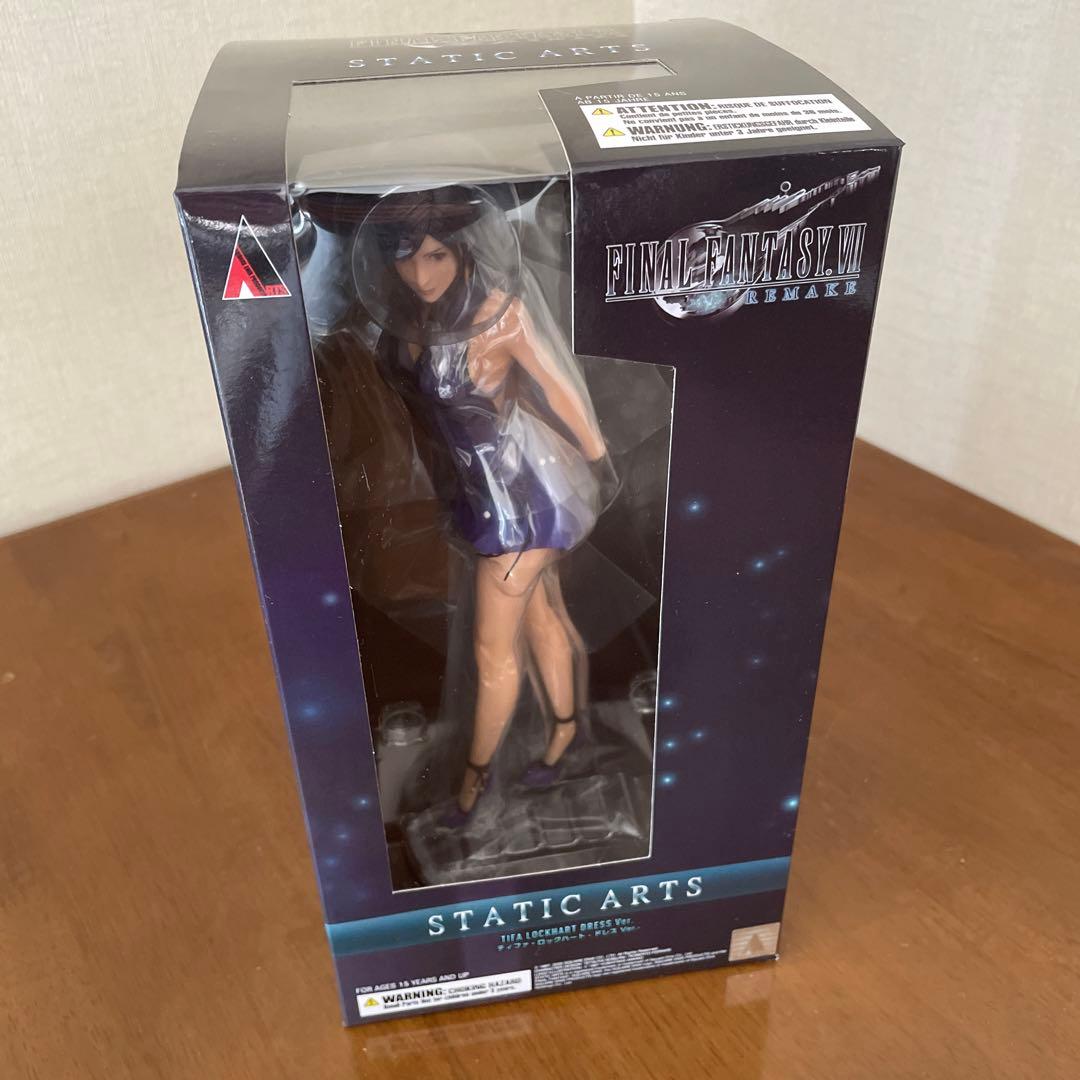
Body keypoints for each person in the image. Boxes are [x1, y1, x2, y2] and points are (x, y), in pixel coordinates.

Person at [356, 185, 616, 825]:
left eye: (436, 256)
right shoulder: (414, 321)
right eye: (407, 257)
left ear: (463, 251)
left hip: (524, 498)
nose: (421, 274)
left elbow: (561, 389)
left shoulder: (503, 314)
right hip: (481, 492)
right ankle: (563, 732)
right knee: (543, 617)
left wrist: (597, 458)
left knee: (491, 653)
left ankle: (473, 787)